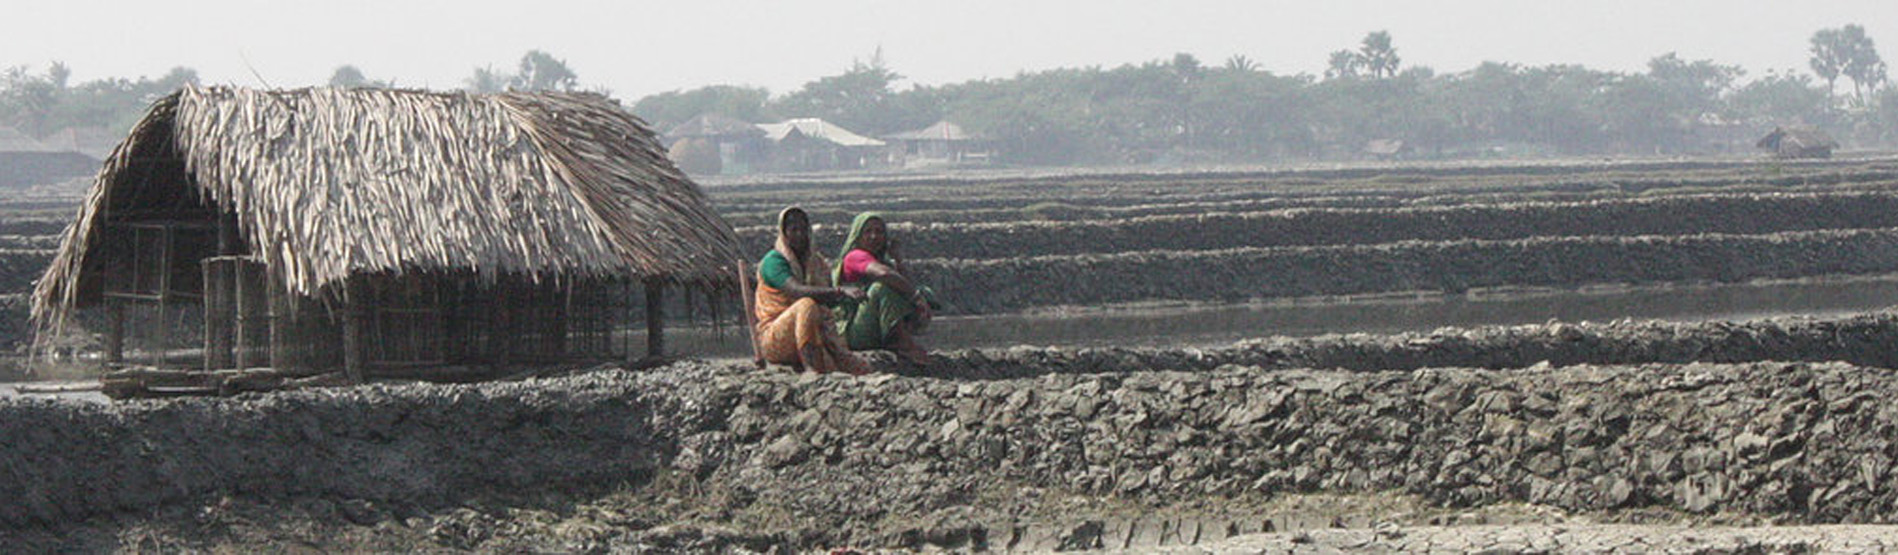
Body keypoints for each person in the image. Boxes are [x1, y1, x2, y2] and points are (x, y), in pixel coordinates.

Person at [754, 207, 870, 374]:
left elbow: (827, 299)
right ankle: (810, 368)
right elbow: (796, 290)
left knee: (861, 369)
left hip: (812, 333)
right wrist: (839, 291)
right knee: (806, 305)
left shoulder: (815, 262)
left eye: (803, 229)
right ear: (784, 233)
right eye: (793, 230)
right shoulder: (774, 261)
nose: (799, 235)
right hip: (776, 338)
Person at [833, 211, 937, 365]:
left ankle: (901, 337)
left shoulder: (882, 260)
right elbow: (883, 274)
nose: (874, 236)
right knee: (881, 288)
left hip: (873, 326)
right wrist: (915, 298)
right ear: (858, 236)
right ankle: (902, 343)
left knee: (923, 292)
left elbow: (905, 283)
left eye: (879, 232)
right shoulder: (855, 256)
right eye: (868, 232)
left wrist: (898, 259)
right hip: (854, 330)